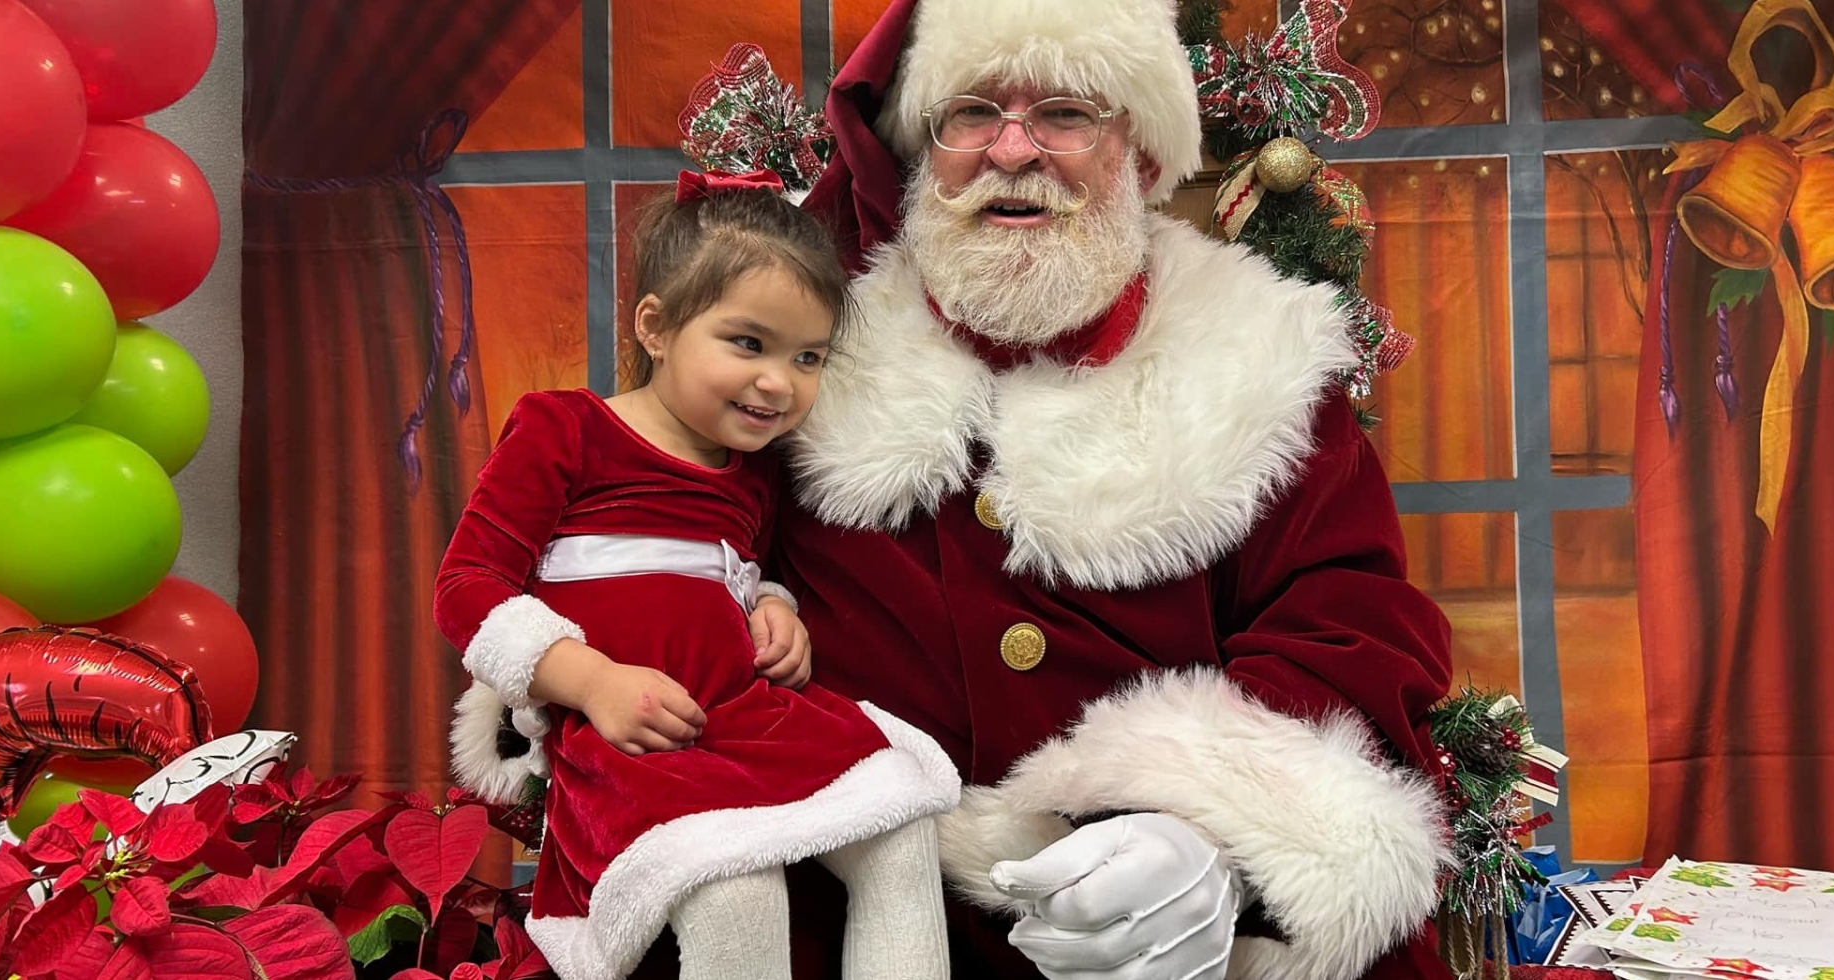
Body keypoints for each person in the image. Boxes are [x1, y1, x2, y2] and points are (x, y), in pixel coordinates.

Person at [459, 0, 1459, 977]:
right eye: (972, 113)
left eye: (1065, 113)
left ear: (1140, 154)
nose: (1013, 151)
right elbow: (645, 520)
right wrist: (577, 676)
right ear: (923, 150)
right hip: (835, 899)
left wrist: (1221, 839)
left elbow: (1350, 622)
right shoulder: (805, 346)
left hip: (1142, 939)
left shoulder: (1255, 355)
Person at [434, 169, 959, 980]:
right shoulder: (565, 429)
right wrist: (593, 681)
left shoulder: (753, 473)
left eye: (808, 355)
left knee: (899, 821)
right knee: (733, 885)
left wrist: (774, 608)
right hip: (636, 743)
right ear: (657, 327)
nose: (778, 381)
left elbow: (742, 573)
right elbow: (468, 588)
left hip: (744, 716)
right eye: (747, 343)